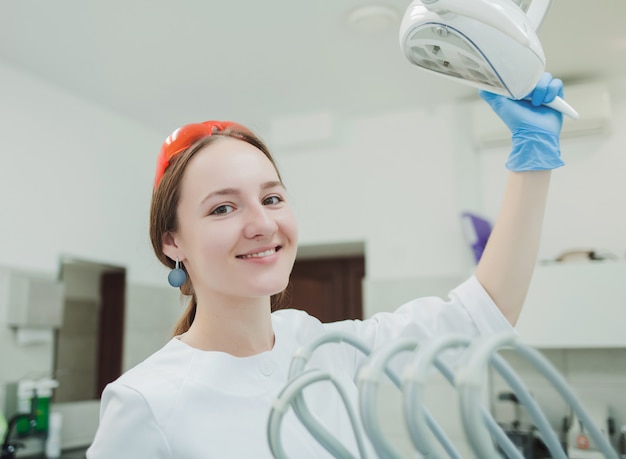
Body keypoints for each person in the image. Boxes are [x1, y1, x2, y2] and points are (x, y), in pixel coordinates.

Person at [86, 73, 566, 458]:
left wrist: (533, 161)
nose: (261, 224)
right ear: (172, 242)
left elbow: (479, 316)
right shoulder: (144, 402)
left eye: (271, 198)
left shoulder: (320, 346)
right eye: (222, 208)